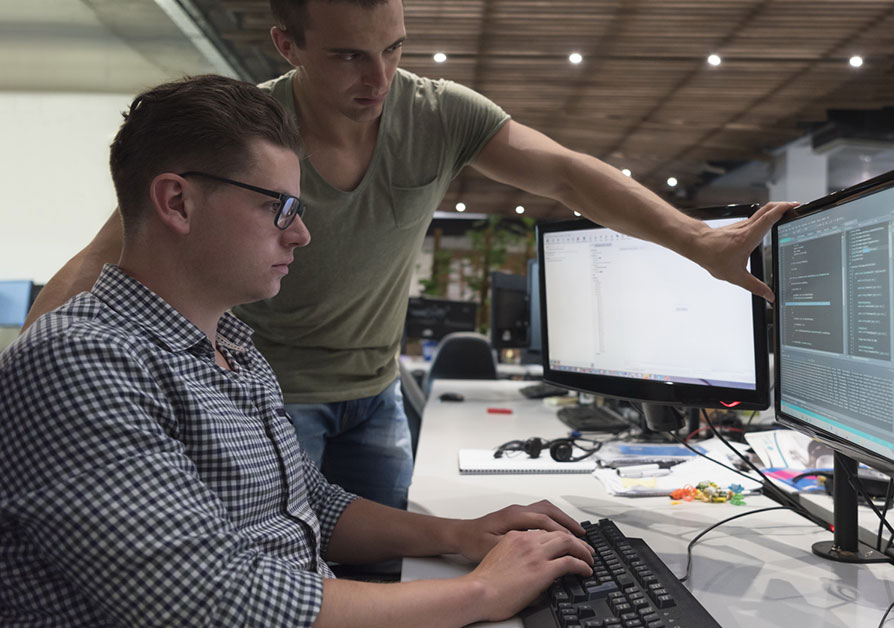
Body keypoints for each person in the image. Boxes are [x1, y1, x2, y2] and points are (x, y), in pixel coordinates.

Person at [24, 0, 796, 511]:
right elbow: (110, 252)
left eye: (394, 49)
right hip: (269, 398)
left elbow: (564, 171)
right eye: (350, 57)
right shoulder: (250, 134)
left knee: (387, 566)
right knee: (284, 578)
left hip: (376, 393)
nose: (380, 78)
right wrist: (30, 377)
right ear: (288, 45)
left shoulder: (437, 115)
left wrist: (698, 241)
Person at [0, 74, 592, 627]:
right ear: (177, 202)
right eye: (277, 206)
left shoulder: (231, 348)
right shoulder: (80, 360)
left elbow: (308, 503)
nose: (301, 234)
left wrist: (462, 534)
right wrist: (482, 592)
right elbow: (211, 599)